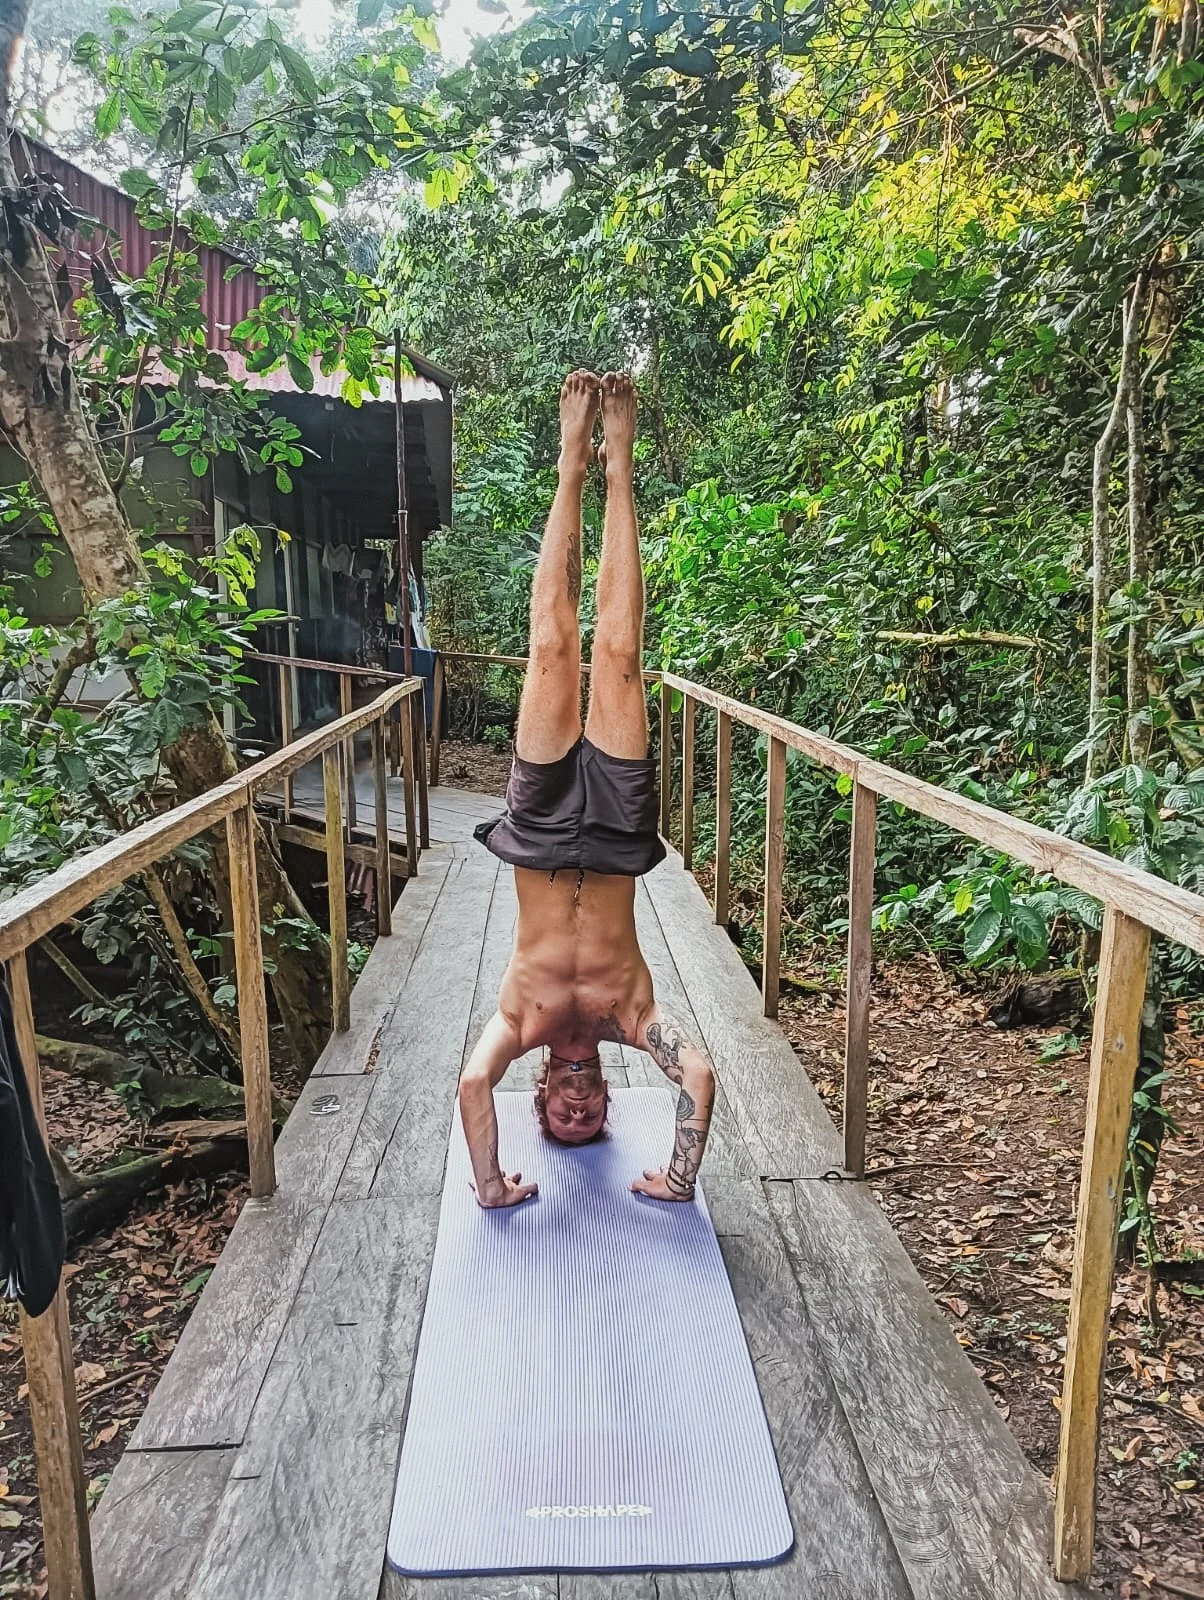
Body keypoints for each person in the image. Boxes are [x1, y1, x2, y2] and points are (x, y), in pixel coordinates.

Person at [462, 371, 715, 1208]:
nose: (579, 1106)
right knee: (618, 654)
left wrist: (492, 1184)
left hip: (536, 838)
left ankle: (572, 463)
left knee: (550, 651)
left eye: (564, 1116)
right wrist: (680, 1181)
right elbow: (702, 1075)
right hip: (614, 837)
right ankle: (618, 469)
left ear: (536, 1095)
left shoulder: (520, 1023)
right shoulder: (631, 1022)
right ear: (609, 1099)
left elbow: (469, 1088)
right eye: (592, 1115)